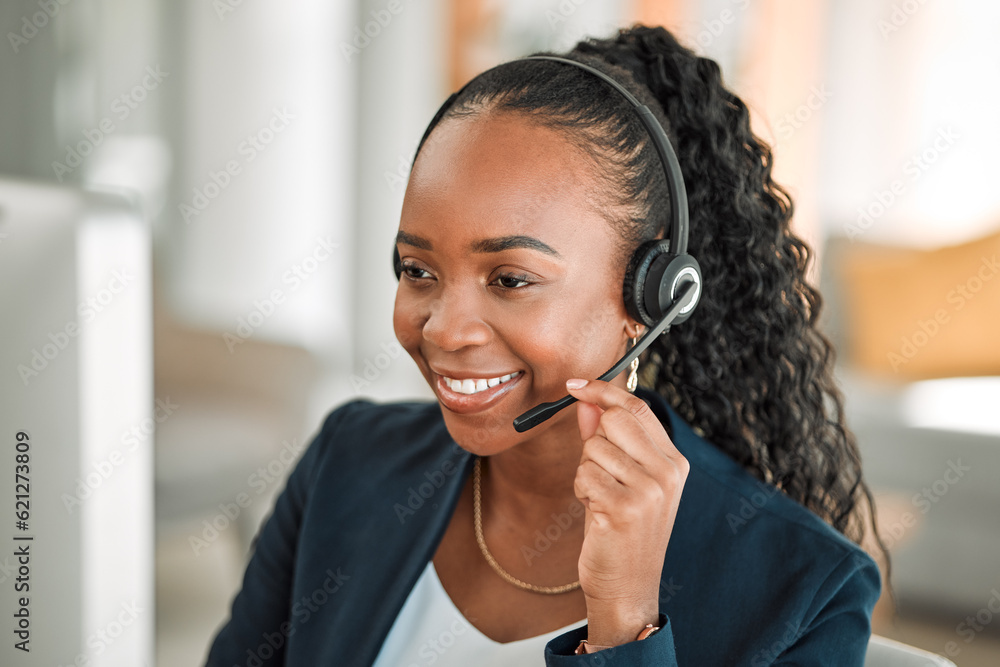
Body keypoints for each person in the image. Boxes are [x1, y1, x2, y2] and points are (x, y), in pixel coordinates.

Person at [205, 24, 886, 666]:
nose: (444, 327)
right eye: (418, 270)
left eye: (510, 279)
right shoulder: (348, 460)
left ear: (651, 296)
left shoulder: (805, 590)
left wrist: (624, 621)